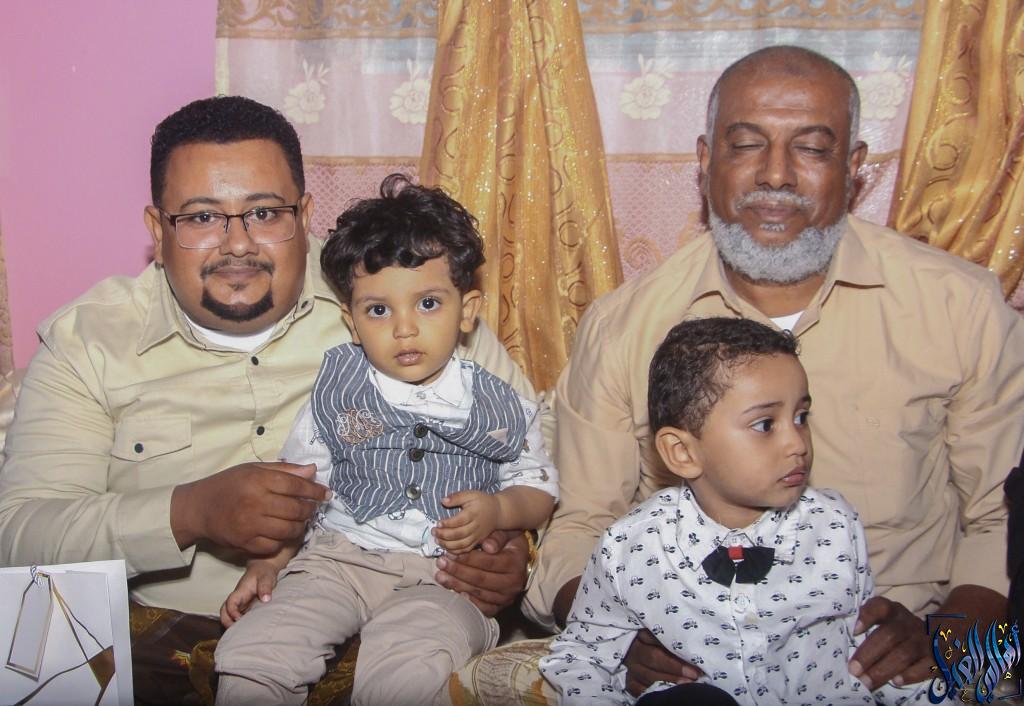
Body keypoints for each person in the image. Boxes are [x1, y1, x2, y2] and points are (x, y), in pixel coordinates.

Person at [0, 97, 544, 704]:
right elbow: (20, 535)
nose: (237, 244)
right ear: (157, 230)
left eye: (263, 213)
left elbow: (535, 461)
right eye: (202, 217)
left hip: (393, 640)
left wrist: (511, 551)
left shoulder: (401, 298)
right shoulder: (90, 341)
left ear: (304, 215)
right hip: (157, 646)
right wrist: (189, 512)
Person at [525, 45, 1024, 695]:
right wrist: (621, 636)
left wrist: (948, 643)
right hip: (698, 662)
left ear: (854, 167)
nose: (777, 175)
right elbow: (580, 526)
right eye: (746, 145)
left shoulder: (959, 307)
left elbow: (1002, 517)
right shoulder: (624, 326)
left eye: (811, 149)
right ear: (706, 160)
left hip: (897, 659)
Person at [213, 174, 559, 705]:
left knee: (410, 667)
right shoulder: (338, 389)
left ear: (466, 310)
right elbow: (300, 487)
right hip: (337, 560)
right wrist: (268, 563)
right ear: (352, 322)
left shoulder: (501, 403)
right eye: (379, 310)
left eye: (428, 304)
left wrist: (499, 510)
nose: (404, 329)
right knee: (259, 646)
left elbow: (539, 490)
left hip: (443, 577)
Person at [540, 317, 927, 705]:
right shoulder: (631, 546)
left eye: (801, 417)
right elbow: (581, 657)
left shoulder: (834, 524)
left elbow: (870, 647)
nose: (797, 443)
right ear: (682, 452)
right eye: (765, 424)